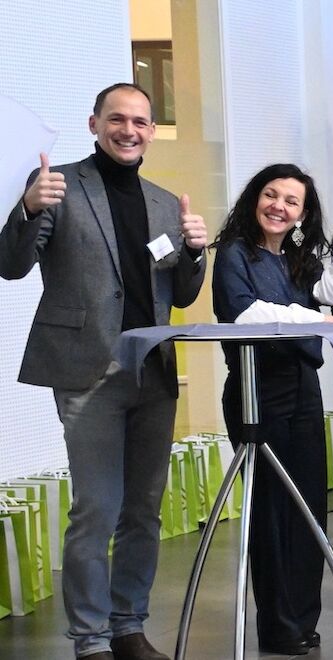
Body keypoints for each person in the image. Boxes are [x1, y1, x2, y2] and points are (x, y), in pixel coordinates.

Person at [1, 82, 208, 660]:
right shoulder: (58, 186)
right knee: (97, 508)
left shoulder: (166, 203)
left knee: (143, 509)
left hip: (154, 373)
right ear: (95, 124)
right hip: (87, 369)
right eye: (117, 120)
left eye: (141, 122)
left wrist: (196, 251)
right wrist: (27, 209)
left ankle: (128, 628)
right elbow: (10, 265)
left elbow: (185, 294)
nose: (129, 131)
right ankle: (90, 640)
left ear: (150, 131)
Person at [211, 163, 333, 655]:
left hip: (303, 388)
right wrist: (313, 318)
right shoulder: (236, 253)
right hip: (259, 392)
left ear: (302, 213)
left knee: (308, 511)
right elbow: (245, 311)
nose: (279, 206)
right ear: (255, 199)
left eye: (291, 201)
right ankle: (278, 626)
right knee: (273, 513)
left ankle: (303, 618)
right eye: (271, 195)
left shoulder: (297, 257)